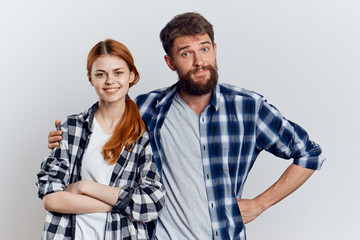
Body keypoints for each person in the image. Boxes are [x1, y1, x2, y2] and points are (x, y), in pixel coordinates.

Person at [48, 12, 325, 240]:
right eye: (185, 53)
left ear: (215, 50)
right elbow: (104, 116)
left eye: (204, 49)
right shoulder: (148, 109)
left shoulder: (248, 108)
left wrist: (260, 204)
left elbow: (310, 154)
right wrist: (64, 134)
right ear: (170, 62)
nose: (199, 61)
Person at [37, 39, 165, 240]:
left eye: (118, 72)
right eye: (100, 74)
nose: (110, 81)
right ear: (90, 79)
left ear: (132, 75)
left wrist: (84, 187)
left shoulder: (142, 135)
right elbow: (51, 198)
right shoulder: (71, 128)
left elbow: (151, 203)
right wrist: (122, 203)